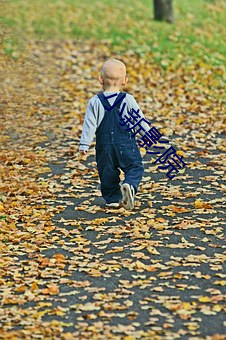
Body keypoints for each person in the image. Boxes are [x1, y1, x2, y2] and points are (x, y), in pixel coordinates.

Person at [79, 59, 150, 210]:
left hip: (104, 146)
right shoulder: (128, 100)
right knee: (135, 167)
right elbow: (139, 120)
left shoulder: (95, 102)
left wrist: (84, 144)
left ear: (100, 80)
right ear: (125, 81)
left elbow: (89, 125)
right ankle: (130, 185)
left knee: (107, 172)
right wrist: (148, 134)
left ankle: (112, 199)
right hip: (126, 144)